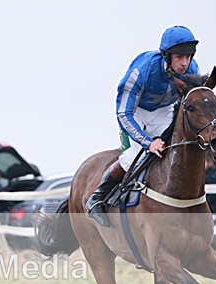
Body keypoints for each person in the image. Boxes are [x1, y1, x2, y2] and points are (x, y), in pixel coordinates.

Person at [86, 25, 201, 227]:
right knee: (135, 157)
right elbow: (124, 113)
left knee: (173, 151)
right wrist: (148, 143)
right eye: (179, 58)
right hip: (134, 112)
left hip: (164, 111)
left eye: (188, 57)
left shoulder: (192, 70)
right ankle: (97, 198)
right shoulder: (142, 70)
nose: (185, 63)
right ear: (167, 56)